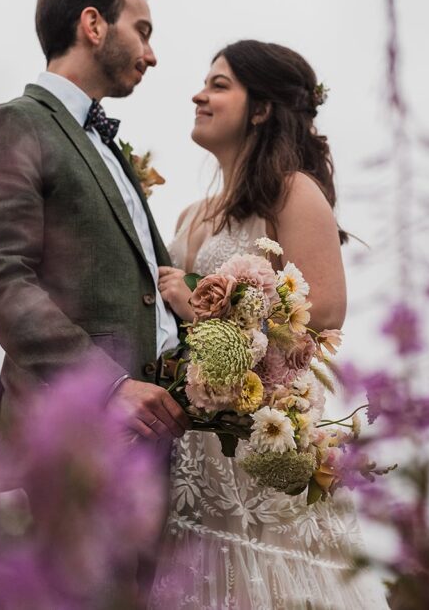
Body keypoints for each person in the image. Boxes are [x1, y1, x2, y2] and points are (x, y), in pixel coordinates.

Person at [0, 0, 190, 594]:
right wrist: (107, 384)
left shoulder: (110, 146)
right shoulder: (16, 124)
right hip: (72, 440)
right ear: (93, 24)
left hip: (149, 443)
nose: (151, 54)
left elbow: (142, 291)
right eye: (141, 31)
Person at [150, 40, 389, 608]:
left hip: (266, 442)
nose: (198, 95)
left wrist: (195, 305)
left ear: (260, 108)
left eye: (219, 84)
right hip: (199, 448)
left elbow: (325, 311)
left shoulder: (292, 192)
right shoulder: (190, 217)